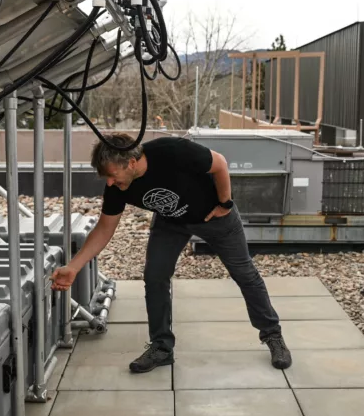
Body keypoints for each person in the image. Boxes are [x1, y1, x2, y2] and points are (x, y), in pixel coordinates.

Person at [50, 133, 291, 373]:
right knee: (155, 277)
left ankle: (272, 335)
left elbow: (219, 163)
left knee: (244, 273)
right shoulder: (117, 188)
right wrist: (73, 266)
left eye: (113, 175)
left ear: (131, 163)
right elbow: (104, 229)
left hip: (215, 218)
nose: (110, 183)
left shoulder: (172, 150)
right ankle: (161, 347)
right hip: (171, 223)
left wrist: (225, 204)